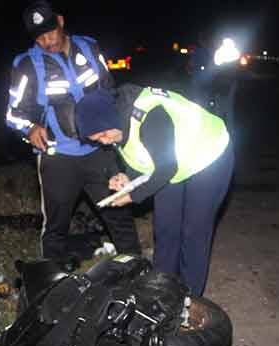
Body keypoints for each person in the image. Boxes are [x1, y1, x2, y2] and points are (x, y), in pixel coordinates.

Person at [5, 1, 140, 263]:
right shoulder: (26, 66)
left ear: (61, 22)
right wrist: (30, 127)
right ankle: (51, 283)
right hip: (58, 159)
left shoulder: (89, 48)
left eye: (50, 32)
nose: (47, 40)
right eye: (40, 37)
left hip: (99, 151)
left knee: (118, 213)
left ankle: (135, 268)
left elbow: (110, 90)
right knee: (55, 226)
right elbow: (12, 113)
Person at [74, 84, 234, 297]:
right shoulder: (117, 123)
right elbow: (144, 155)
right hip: (175, 159)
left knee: (193, 231)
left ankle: (189, 299)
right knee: (166, 228)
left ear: (111, 119)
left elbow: (167, 167)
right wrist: (127, 177)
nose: (104, 141)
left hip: (208, 154)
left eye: (103, 134)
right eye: (97, 140)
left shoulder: (150, 117)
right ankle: (159, 292)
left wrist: (132, 195)